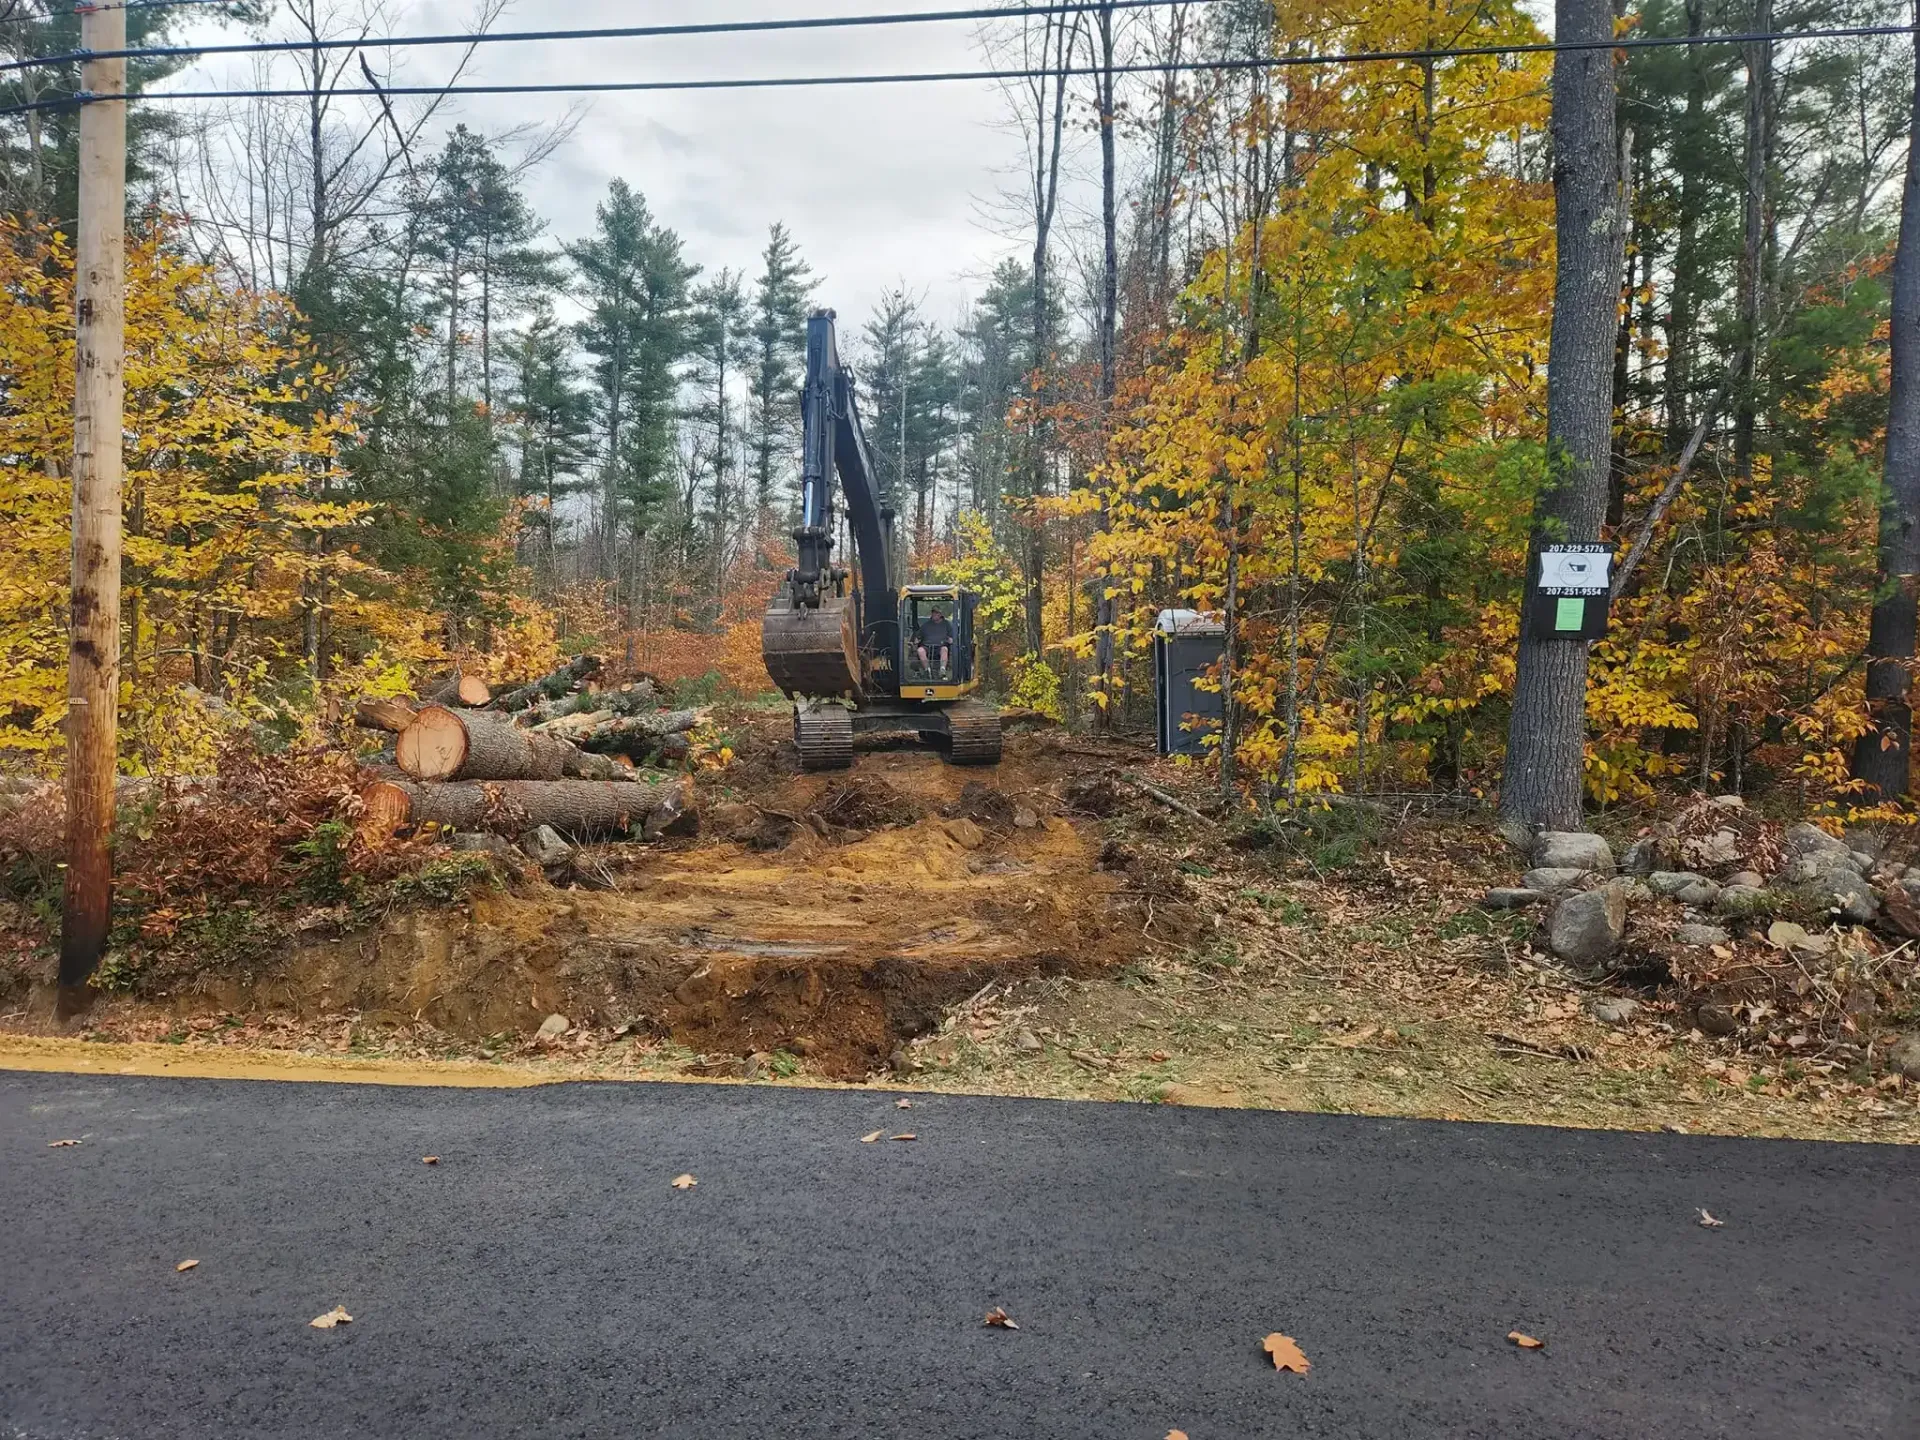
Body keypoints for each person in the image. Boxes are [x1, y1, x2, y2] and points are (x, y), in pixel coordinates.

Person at [916, 607, 953, 680]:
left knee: (944, 649)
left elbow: (951, 637)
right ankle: (927, 670)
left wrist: (950, 640)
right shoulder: (926, 625)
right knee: (920, 650)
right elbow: (918, 636)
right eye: (933, 612)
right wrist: (916, 640)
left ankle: (942, 670)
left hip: (941, 646)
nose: (934, 614)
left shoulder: (947, 624)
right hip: (927, 647)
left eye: (936, 613)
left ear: (940, 614)